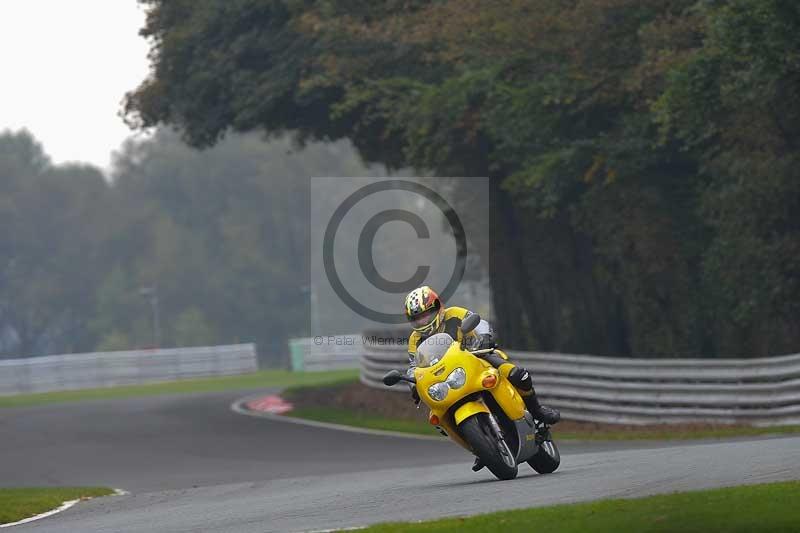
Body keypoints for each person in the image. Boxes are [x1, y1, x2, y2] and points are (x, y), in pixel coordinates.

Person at [404, 286, 561, 428]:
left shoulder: (455, 313)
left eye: (426, 315)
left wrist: (484, 338)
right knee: (439, 416)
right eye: (417, 318)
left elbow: (480, 323)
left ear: (437, 307)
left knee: (518, 375)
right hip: (446, 375)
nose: (422, 321)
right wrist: (414, 384)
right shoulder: (414, 339)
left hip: (478, 355)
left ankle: (537, 410)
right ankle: (479, 448)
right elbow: (414, 365)